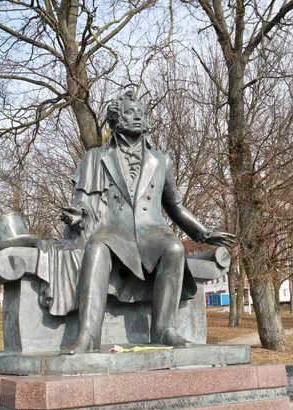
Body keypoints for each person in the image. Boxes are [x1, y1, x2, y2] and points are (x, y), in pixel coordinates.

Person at [60, 89, 235, 354]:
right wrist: (78, 214)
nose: (139, 116)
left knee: (174, 248)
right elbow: (83, 200)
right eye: (131, 112)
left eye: (141, 112)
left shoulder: (162, 160)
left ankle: (164, 329)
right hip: (114, 231)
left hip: (153, 231)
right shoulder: (95, 157)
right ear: (117, 120)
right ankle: (87, 334)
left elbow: (174, 205)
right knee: (95, 248)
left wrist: (204, 233)